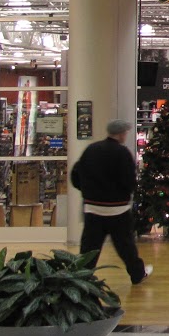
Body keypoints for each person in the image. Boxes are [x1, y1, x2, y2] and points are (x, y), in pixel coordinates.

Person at [70, 119, 150, 284]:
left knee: (89, 248)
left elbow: (75, 174)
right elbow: (129, 180)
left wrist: (87, 192)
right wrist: (126, 195)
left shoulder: (91, 149)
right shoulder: (122, 153)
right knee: (126, 247)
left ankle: (82, 279)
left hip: (93, 208)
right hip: (118, 210)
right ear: (121, 134)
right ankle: (137, 274)